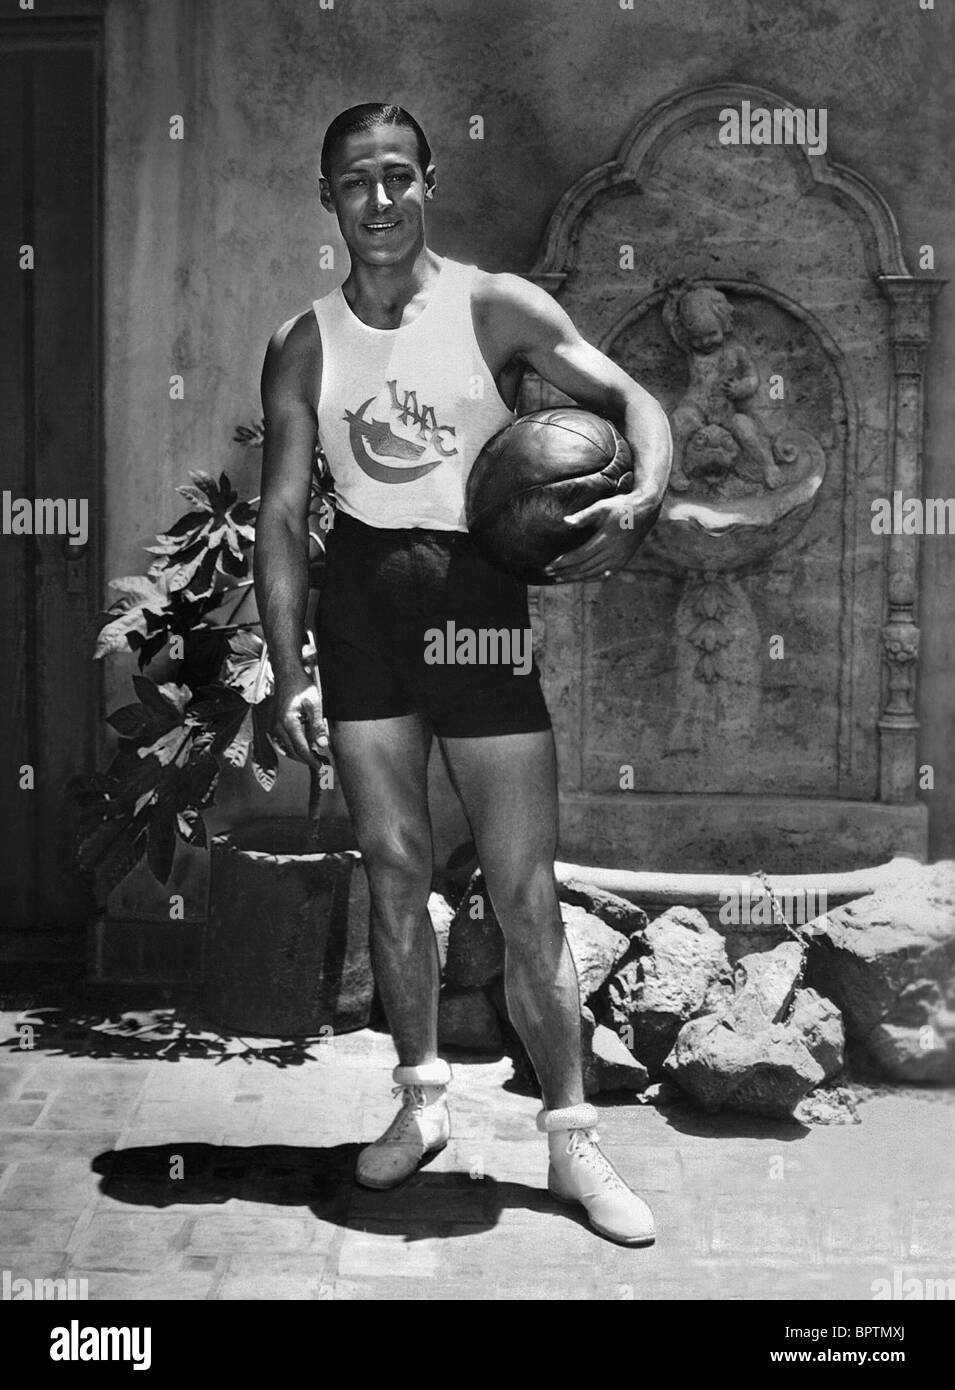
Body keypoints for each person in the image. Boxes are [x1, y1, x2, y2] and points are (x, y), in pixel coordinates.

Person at [254, 103, 672, 1247]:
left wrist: (638, 492)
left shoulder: (496, 306)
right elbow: (285, 516)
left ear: (428, 180)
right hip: (364, 611)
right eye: (354, 182)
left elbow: (630, 399)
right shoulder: (305, 342)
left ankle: (572, 1137)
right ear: (328, 198)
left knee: (523, 885)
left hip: (477, 606)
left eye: (397, 176)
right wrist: (285, 667)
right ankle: (422, 1103)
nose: (378, 200)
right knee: (391, 869)